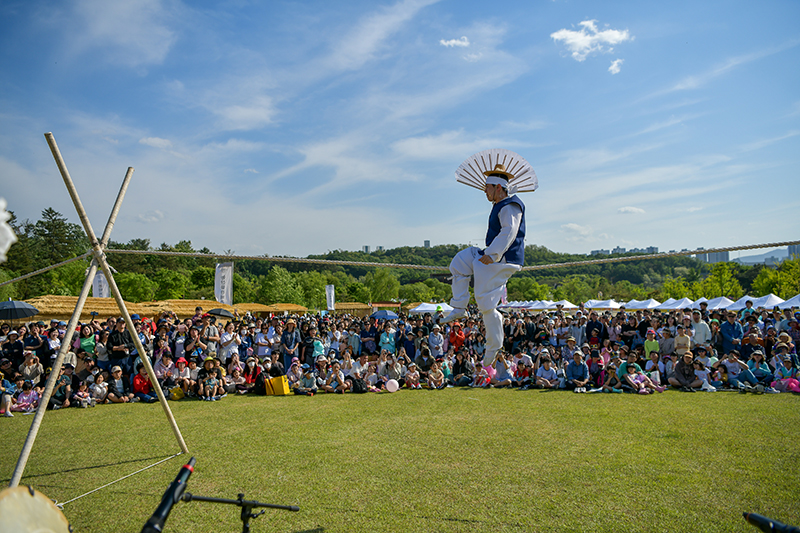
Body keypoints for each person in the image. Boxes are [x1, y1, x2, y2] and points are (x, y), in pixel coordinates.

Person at [442, 163, 527, 368]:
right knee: (460, 262)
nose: (485, 192)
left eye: (487, 188)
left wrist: (493, 254)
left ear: (498, 187)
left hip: (503, 259)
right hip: (492, 256)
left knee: (485, 301)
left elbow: (509, 231)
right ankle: (459, 307)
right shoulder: (500, 205)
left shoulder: (511, 206)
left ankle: (494, 345)